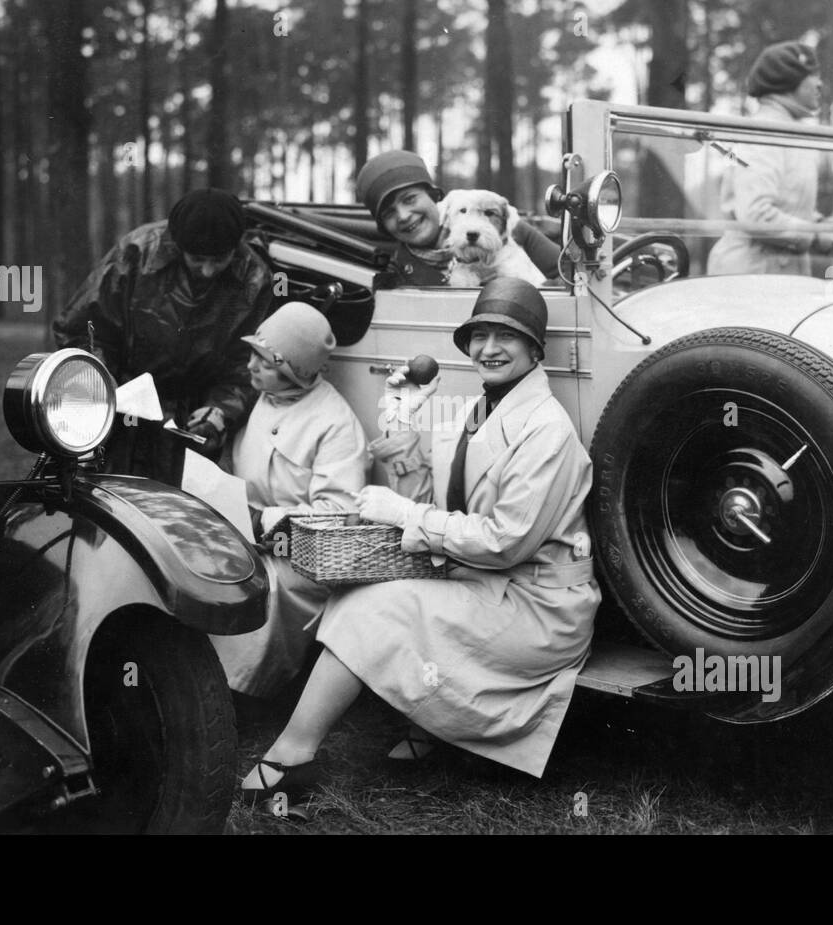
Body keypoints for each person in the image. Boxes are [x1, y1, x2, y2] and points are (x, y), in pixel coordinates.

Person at [238, 278, 600, 802]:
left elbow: (506, 542)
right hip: (488, 582)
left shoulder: (546, 429)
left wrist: (406, 511)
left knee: (373, 611)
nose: (489, 349)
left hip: (540, 605)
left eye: (507, 337)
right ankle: (426, 727)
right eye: (480, 336)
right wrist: (404, 428)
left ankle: (291, 757)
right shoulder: (475, 411)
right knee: (358, 598)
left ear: (534, 349)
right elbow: (439, 507)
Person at [53, 188, 274, 487]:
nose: (207, 272)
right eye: (197, 259)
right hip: (118, 414)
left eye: (219, 260)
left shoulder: (253, 277)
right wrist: (107, 390)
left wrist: (220, 412)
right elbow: (82, 329)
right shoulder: (137, 253)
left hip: (194, 425)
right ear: (178, 246)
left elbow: (245, 365)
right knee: (105, 507)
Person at [209, 301, 370, 698]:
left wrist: (263, 520)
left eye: (264, 362)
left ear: (293, 372)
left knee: (262, 588)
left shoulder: (334, 423)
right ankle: (199, 673)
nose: (250, 367)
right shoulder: (262, 396)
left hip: (298, 554)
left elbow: (339, 517)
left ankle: (239, 691)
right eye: (252, 355)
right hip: (243, 527)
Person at [707, 41, 833, 276]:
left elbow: (787, 200)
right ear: (788, 82)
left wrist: (819, 224)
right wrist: (813, 233)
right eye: (812, 76)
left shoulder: (788, 130)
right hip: (751, 274)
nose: (820, 84)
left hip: (775, 270)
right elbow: (755, 212)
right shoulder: (765, 131)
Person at [355, 150, 561, 285]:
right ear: (384, 226)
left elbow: (568, 274)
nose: (403, 216)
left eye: (409, 199)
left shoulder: (505, 229)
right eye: (389, 213)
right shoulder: (401, 273)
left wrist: (524, 285)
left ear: (434, 197)